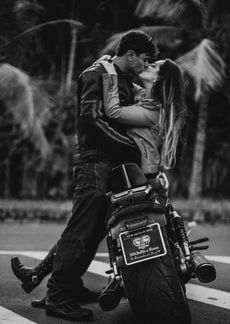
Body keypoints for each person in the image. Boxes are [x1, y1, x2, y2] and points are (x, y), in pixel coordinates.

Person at [11, 57, 187, 308]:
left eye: (153, 66)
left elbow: (113, 110)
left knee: (85, 230)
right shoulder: (146, 98)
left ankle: (44, 278)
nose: (146, 66)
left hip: (135, 176)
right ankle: (40, 275)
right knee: (88, 230)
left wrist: (105, 68)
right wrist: (111, 65)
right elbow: (126, 86)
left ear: (159, 79)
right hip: (132, 175)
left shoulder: (152, 109)